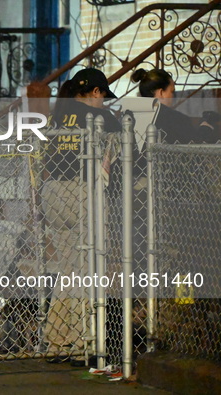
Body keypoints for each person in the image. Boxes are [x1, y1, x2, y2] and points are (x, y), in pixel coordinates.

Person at [41, 68, 121, 366]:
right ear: (97, 92)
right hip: (82, 192)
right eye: (103, 96)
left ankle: (58, 340)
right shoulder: (102, 117)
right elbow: (124, 154)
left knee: (68, 270)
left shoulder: (59, 114)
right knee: (86, 269)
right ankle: (82, 341)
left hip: (54, 194)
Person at [131, 68, 219, 143]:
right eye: (172, 91)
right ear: (161, 93)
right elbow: (195, 147)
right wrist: (205, 128)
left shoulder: (131, 117)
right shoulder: (175, 119)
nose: (173, 96)